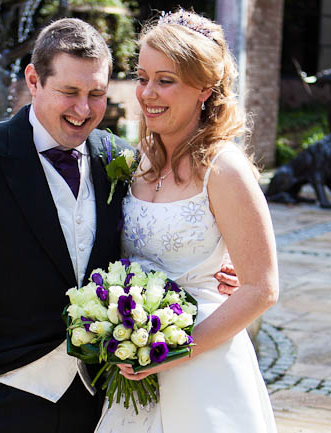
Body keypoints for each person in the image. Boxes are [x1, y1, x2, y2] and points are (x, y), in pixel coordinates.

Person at [0, 18, 238, 433]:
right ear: (33, 79)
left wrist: (220, 270)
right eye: (70, 92)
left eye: (96, 94)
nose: (84, 110)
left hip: (97, 400)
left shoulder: (120, 160)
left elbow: (150, 244)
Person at [95, 10, 278, 433]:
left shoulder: (224, 170)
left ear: (204, 89)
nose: (147, 94)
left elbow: (262, 288)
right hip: (135, 365)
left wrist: (173, 351)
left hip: (204, 372)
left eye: (166, 80)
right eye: (142, 77)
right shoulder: (138, 163)